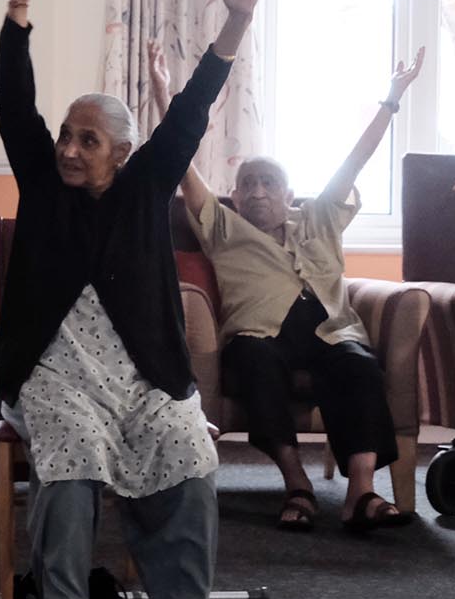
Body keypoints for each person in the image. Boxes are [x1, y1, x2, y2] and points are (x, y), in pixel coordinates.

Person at [0, 0, 267, 599]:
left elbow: (192, 110)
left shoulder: (147, 185)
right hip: (53, 374)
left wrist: (236, 21)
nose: (69, 150)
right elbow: (13, 104)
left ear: (120, 150)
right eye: (68, 137)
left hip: (145, 372)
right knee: (74, 449)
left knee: (185, 446)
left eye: (87, 140)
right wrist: (20, 1)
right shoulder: (44, 185)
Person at [152, 41, 424, 533]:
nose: (257, 191)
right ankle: (296, 484)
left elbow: (355, 161)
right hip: (260, 334)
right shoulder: (222, 226)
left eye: (268, 183)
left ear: (288, 193)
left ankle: (361, 492)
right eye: (247, 184)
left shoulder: (319, 218)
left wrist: (391, 99)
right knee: (254, 361)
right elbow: (183, 162)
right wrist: (163, 95)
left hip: (329, 328)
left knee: (359, 364)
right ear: (234, 195)